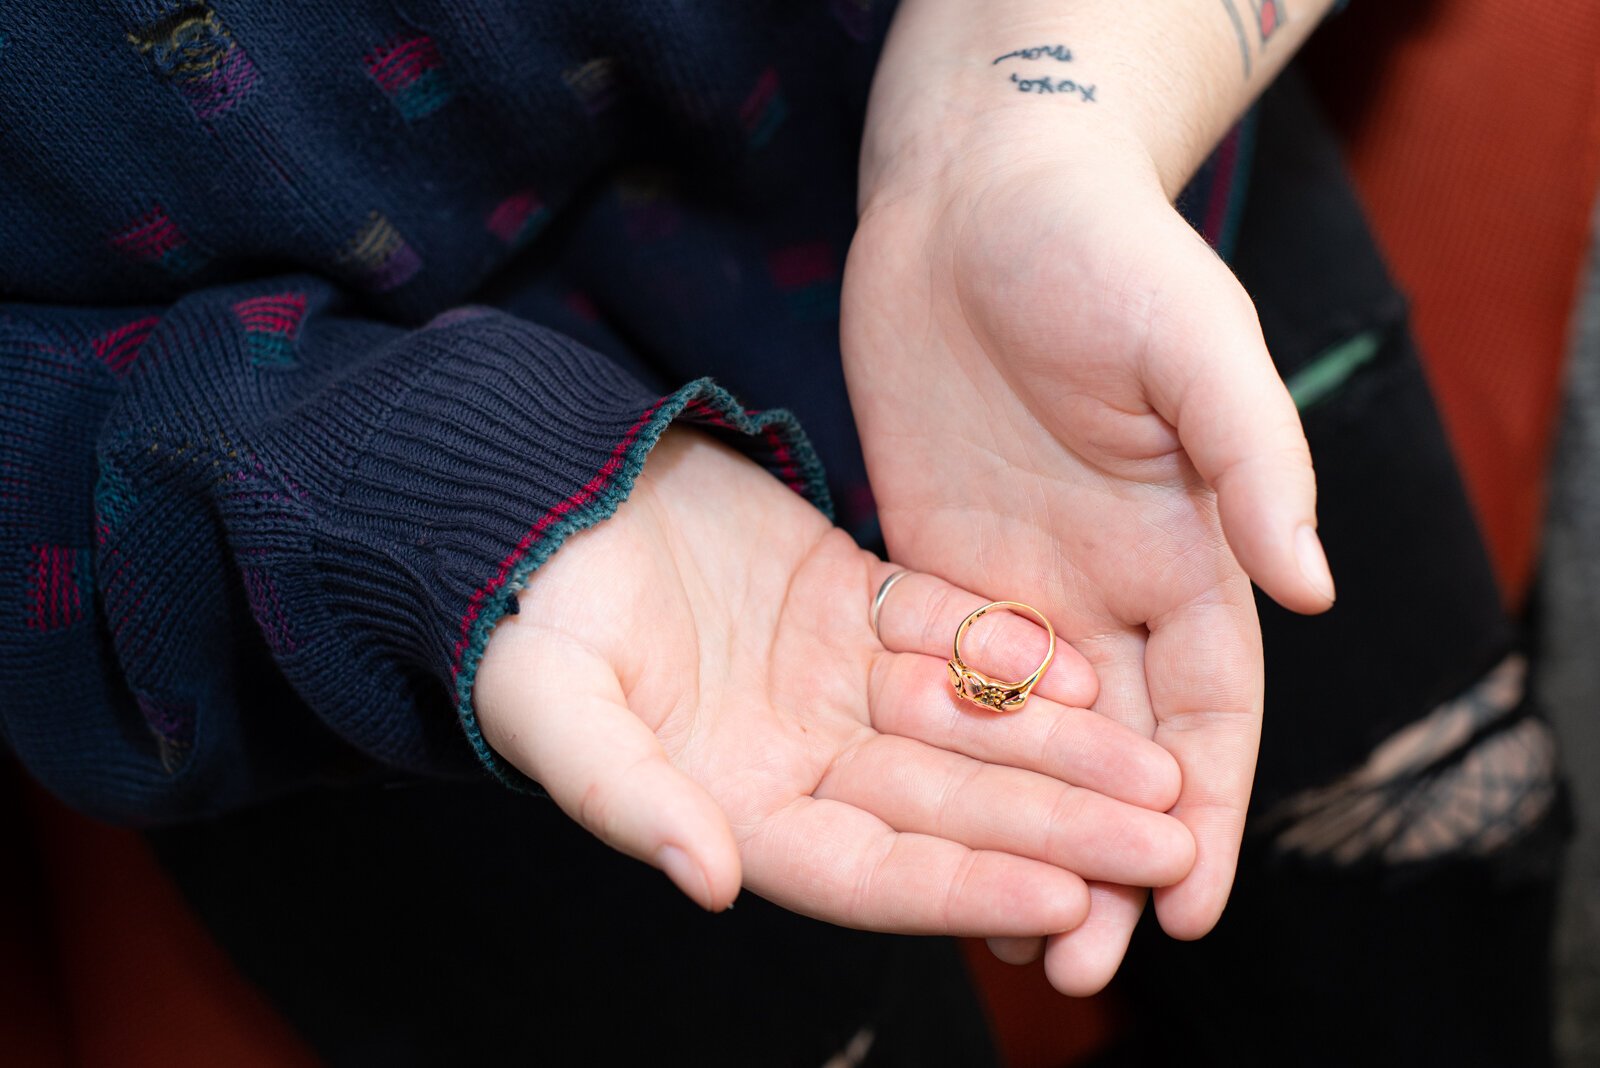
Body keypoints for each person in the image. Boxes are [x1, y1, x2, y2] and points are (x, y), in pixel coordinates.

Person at [5, 0, 1561, 1063]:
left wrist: (1026, 118)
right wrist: (414, 491)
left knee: (1422, 897)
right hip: (363, 598)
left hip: (1100, 266)